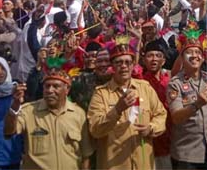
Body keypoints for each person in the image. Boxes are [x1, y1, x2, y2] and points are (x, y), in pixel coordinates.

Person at [87, 34, 168, 170]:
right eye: (119, 62)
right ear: (112, 66)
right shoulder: (101, 93)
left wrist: (151, 128)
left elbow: (161, 115)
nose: (123, 66)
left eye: (127, 62)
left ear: (133, 65)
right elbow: (95, 129)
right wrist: (117, 109)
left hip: (143, 164)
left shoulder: (145, 87)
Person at [4, 66, 93, 169]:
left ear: (67, 89)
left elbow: (86, 155)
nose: (50, 90)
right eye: (47, 86)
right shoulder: (28, 111)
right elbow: (8, 131)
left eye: (56, 86)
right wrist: (15, 105)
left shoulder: (78, 114)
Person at [167, 26, 207, 169]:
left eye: (198, 52)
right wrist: (196, 104)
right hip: (187, 156)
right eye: (189, 52)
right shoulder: (175, 84)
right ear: (182, 57)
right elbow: (176, 117)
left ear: (203, 58)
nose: (194, 55)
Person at [141, 39, 173, 169]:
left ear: (164, 61)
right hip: (147, 139)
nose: (154, 59)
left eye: (158, 56)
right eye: (150, 56)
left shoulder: (170, 79)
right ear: (144, 60)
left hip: (168, 137)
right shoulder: (139, 80)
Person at [70, 42, 112, 111]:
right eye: (99, 61)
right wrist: (68, 55)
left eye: (107, 61)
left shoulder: (120, 81)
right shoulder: (81, 79)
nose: (103, 64)